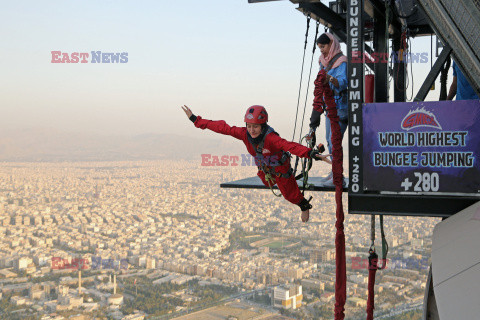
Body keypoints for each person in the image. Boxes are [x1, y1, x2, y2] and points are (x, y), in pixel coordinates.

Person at [181, 105, 330, 223]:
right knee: (266, 181)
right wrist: (195, 120)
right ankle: (278, 182)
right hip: (264, 167)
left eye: (256, 126)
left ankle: (304, 205)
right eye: (249, 126)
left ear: (263, 125)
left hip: (280, 168)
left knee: (289, 195)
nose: (252, 130)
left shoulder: (271, 138)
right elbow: (222, 128)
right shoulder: (243, 134)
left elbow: (289, 146)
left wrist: (312, 153)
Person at [307, 33, 348, 184]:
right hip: (329, 107)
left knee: (334, 140)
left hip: (341, 107)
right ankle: (335, 172)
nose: (322, 50)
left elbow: (343, 83)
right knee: (330, 141)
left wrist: (329, 78)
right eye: (319, 48)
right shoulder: (323, 62)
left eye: (323, 46)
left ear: (332, 45)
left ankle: (338, 176)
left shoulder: (342, 62)